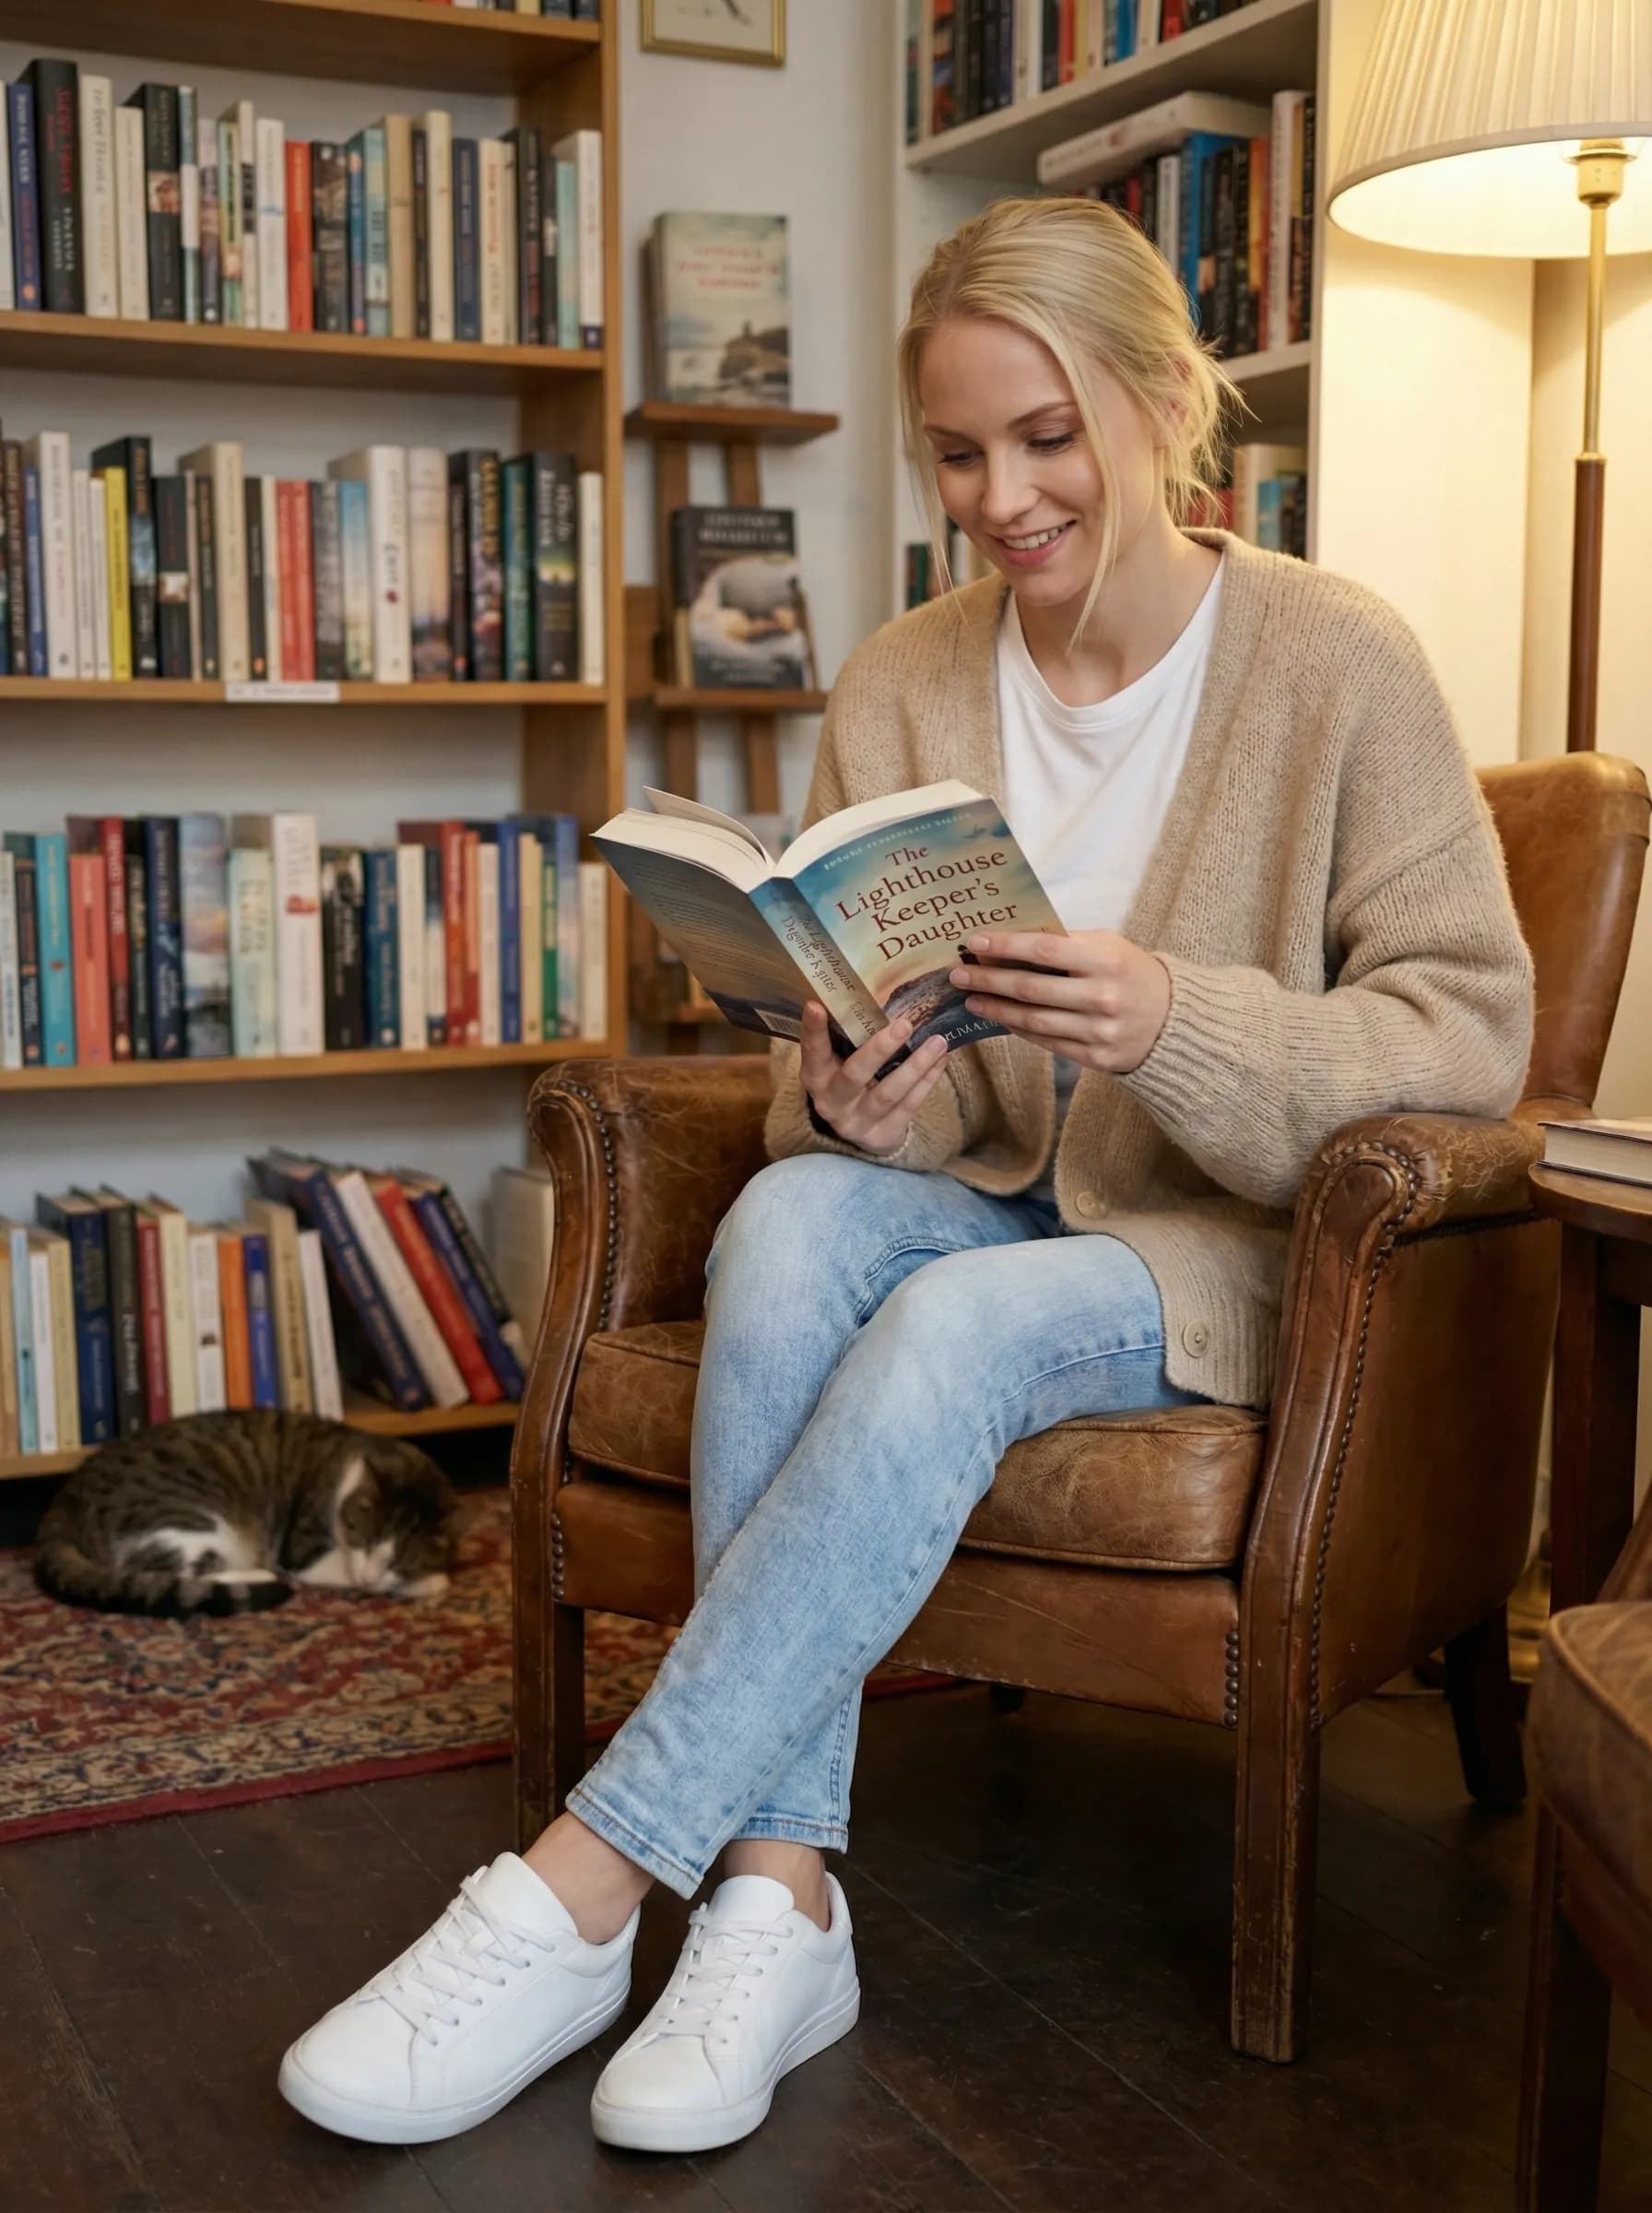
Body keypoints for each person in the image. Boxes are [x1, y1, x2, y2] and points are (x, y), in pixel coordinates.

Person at [277, 195, 1535, 2155]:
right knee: (788, 1215)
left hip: (1212, 1247)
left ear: (1155, 398)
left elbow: (1468, 1040)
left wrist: (1170, 1015)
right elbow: (896, 1073)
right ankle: (777, 1905)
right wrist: (856, 1098)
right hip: (986, 1191)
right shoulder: (901, 680)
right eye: (956, 452)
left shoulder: (1332, 660)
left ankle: (580, 1887)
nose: (1001, 497)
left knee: (949, 1318)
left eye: (1045, 438)